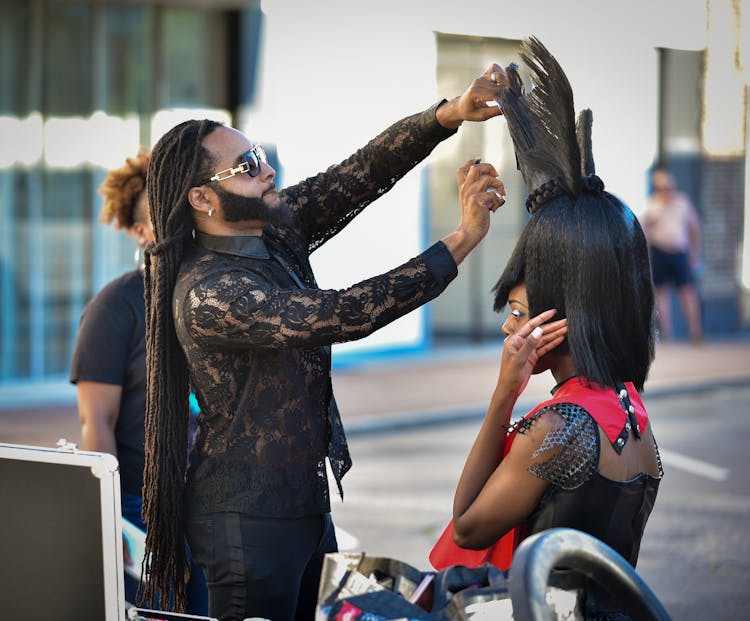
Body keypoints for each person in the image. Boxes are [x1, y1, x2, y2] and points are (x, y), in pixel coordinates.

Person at [140, 65, 509, 620]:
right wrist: (462, 239)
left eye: (258, 154)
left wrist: (450, 114)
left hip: (303, 506)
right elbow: (346, 313)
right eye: (246, 167)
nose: (265, 171)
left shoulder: (272, 229)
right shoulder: (210, 293)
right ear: (201, 198)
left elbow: (362, 172)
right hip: (244, 521)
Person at [429, 38, 663, 620]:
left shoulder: (563, 425)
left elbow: (469, 523)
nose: (511, 327)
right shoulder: (628, 407)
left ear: (562, 312)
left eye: (515, 310)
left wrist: (504, 393)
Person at [69, 149, 208, 614]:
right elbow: (97, 424)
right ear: (138, 229)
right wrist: (110, 525)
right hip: (142, 506)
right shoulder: (116, 308)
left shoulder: (218, 294)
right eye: (159, 216)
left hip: (212, 503)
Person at [640, 166, 703, 343]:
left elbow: (694, 229)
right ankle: (667, 334)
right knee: (662, 294)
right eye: (662, 188)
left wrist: (695, 253)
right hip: (660, 252)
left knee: (688, 292)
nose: (666, 192)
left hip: (679, 252)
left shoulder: (683, 203)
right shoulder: (652, 205)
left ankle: (695, 332)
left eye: (668, 188)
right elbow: (644, 234)